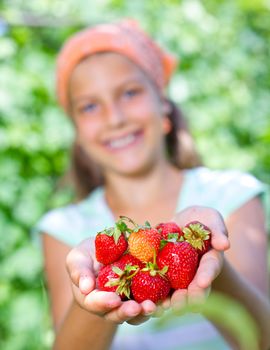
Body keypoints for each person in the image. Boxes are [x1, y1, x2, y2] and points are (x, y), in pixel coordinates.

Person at [35, 19, 270, 350]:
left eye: (130, 92)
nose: (114, 117)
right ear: (77, 130)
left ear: (162, 101)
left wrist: (211, 262)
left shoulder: (232, 197)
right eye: (90, 106)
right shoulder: (62, 229)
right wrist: (93, 299)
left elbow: (262, 340)